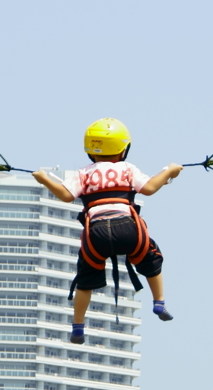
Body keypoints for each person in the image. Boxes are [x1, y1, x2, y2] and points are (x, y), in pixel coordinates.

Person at [32, 118, 182, 344]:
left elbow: (65, 195)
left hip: (96, 234)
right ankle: (159, 301)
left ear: (90, 151)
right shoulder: (127, 169)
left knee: (85, 278)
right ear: (124, 149)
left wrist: (44, 178)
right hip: (129, 229)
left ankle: (78, 325)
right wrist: (169, 171)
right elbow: (150, 188)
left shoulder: (84, 173)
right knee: (151, 256)